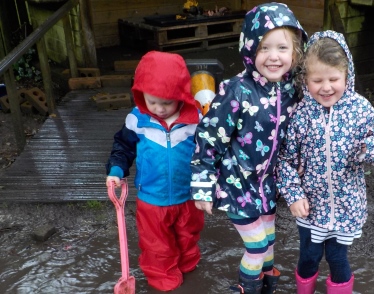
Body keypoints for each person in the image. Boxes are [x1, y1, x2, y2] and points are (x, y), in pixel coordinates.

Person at [189, 2, 307, 293]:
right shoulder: (236, 89)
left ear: (295, 52)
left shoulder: (296, 89)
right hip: (237, 183)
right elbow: (209, 136)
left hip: (268, 186)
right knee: (256, 247)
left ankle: (267, 286)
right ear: (250, 49)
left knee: (269, 244)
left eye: (282, 48)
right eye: (264, 48)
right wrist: (203, 184)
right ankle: (246, 289)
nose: (273, 57)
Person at [276, 30, 374, 294]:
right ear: (305, 79)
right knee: (309, 256)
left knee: (338, 258)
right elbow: (285, 160)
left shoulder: (360, 108)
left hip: (346, 205)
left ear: (347, 76)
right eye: (317, 80)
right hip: (310, 207)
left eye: (334, 79)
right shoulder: (301, 114)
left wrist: (371, 148)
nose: (326, 87)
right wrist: (293, 195)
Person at [105, 51, 205, 292]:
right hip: (152, 197)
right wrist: (116, 170)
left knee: (188, 233)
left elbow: (208, 154)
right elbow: (123, 147)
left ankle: (186, 262)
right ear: (141, 95)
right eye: (152, 102)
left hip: (188, 194)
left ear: (181, 96)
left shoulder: (196, 120)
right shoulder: (137, 119)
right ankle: (163, 276)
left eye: (167, 102)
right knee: (157, 243)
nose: (159, 108)